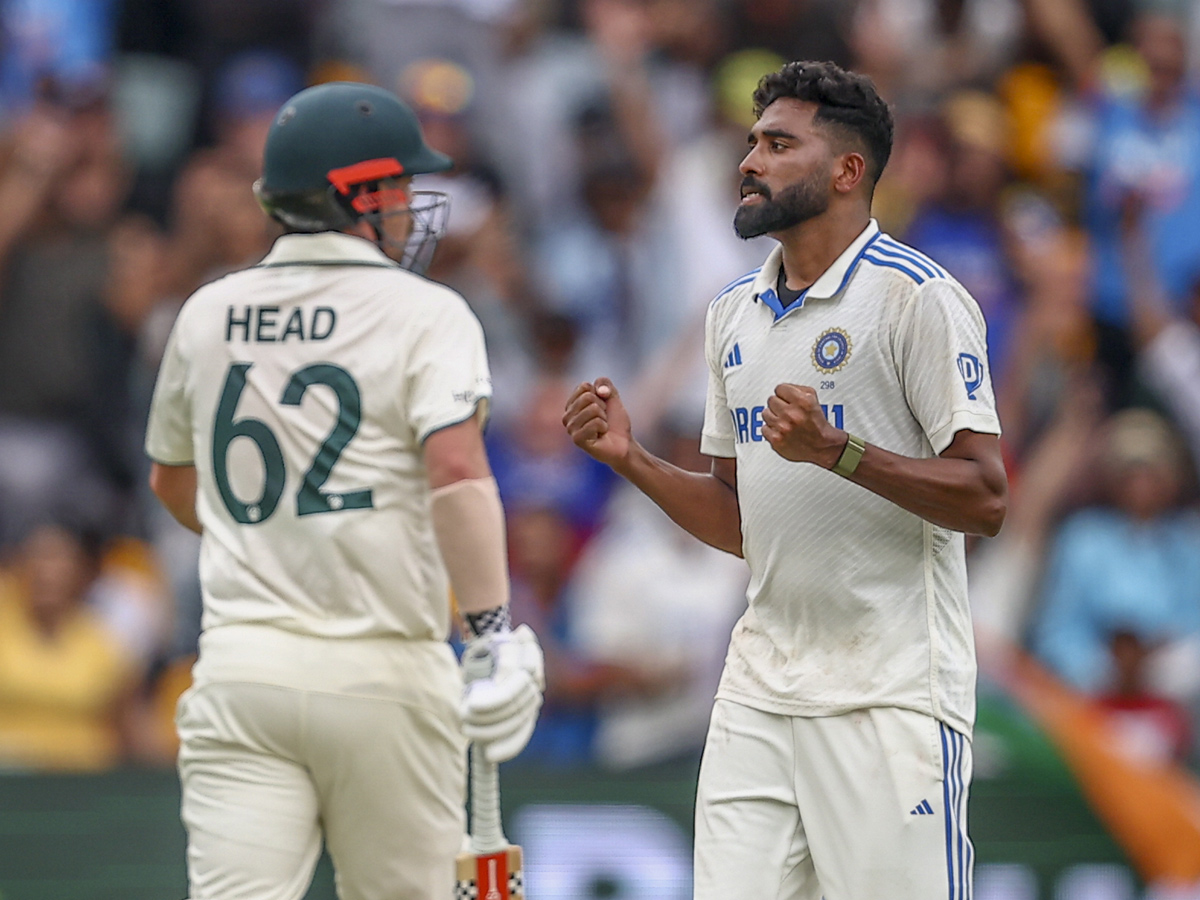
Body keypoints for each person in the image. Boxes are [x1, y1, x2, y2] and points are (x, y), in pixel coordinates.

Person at [563, 60, 1008, 900]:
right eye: (750, 142)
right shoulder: (732, 312)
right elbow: (740, 521)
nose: (749, 162)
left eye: (776, 143)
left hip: (890, 696)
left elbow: (987, 498)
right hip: (760, 692)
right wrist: (634, 460)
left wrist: (842, 453)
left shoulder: (920, 300)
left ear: (847, 171)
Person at [143, 81, 544, 900]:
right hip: (382, 671)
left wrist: (274, 535)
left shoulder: (206, 311)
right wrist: (493, 632)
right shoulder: (428, 313)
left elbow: (174, 483)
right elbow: (459, 475)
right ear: (358, 195)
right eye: (399, 185)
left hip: (241, 670)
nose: (410, 204)